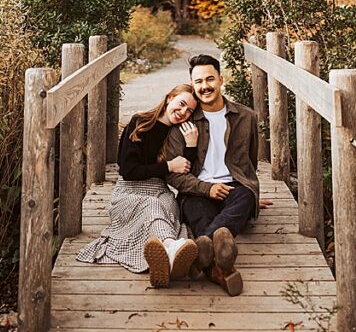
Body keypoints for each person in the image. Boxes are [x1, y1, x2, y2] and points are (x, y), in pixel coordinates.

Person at [76, 84, 200, 288]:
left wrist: (191, 145)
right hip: (129, 191)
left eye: (189, 111)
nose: (183, 112)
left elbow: (185, 170)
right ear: (170, 98)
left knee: (169, 206)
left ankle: (165, 258)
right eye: (181, 104)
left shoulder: (180, 132)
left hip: (160, 190)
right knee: (151, 206)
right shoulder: (140, 122)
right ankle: (170, 249)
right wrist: (168, 165)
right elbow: (128, 170)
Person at [163, 53, 266, 297]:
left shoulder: (246, 117)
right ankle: (220, 266)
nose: (204, 86)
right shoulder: (184, 123)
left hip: (234, 189)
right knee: (196, 208)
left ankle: (200, 252)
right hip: (198, 190)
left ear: (221, 80)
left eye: (210, 79)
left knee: (245, 197)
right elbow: (174, 177)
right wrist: (206, 188)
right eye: (198, 82)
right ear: (193, 84)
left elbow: (250, 165)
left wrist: (251, 194)